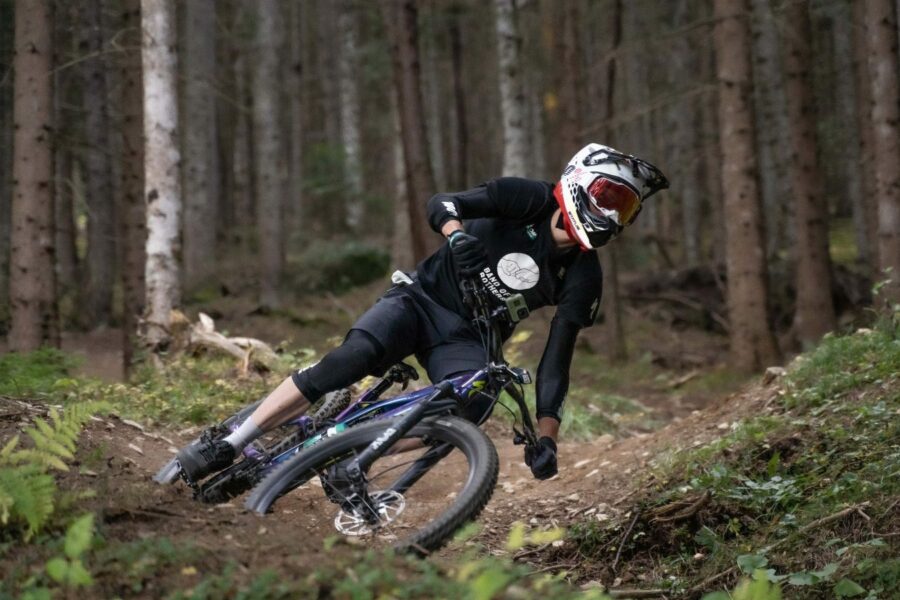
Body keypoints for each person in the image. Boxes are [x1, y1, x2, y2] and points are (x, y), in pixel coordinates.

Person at [177, 143, 668, 482]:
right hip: (420, 300)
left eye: (626, 210)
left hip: (468, 339)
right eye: (611, 198)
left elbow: (557, 362)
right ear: (581, 181)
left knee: (471, 406)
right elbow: (443, 201)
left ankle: (352, 454)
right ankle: (233, 442)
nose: (613, 216)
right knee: (350, 360)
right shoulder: (530, 198)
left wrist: (548, 440)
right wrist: (456, 235)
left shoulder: (584, 276)